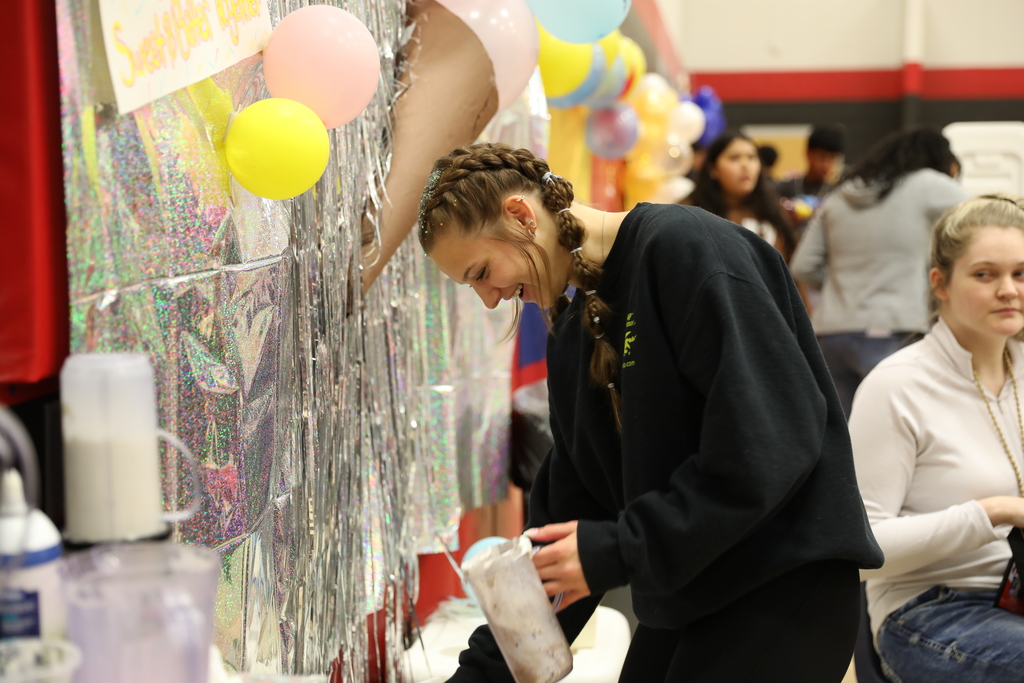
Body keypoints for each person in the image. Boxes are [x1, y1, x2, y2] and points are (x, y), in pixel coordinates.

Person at [417, 142, 883, 682]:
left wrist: (617, 547)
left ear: (520, 216)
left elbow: (770, 444)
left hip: (780, 581)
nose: (489, 299)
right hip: (687, 595)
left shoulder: (688, 248)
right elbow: (566, 524)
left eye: (481, 272)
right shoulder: (572, 338)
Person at [849, 195, 1024, 683]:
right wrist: (997, 511)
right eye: (985, 274)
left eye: (1021, 273)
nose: (1008, 290)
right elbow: (861, 550)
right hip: (931, 611)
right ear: (940, 284)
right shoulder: (896, 385)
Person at [790, 127, 970, 417]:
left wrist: (841, 285)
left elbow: (802, 266)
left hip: (831, 336)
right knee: (897, 429)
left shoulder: (840, 193)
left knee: (842, 440)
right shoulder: (927, 184)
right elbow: (985, 218)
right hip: (894, 331)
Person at [682, 130, 797, 261]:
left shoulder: (773, 209)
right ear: (713, 169)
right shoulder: (690, 212)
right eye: (734, 158)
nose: (745, 165)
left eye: (752, 157)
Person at [776, 124, 846, 201]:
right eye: (822, 157)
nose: (826, 165)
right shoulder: (784, 189)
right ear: (808, 154)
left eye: (832, 159)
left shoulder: (835, 193)